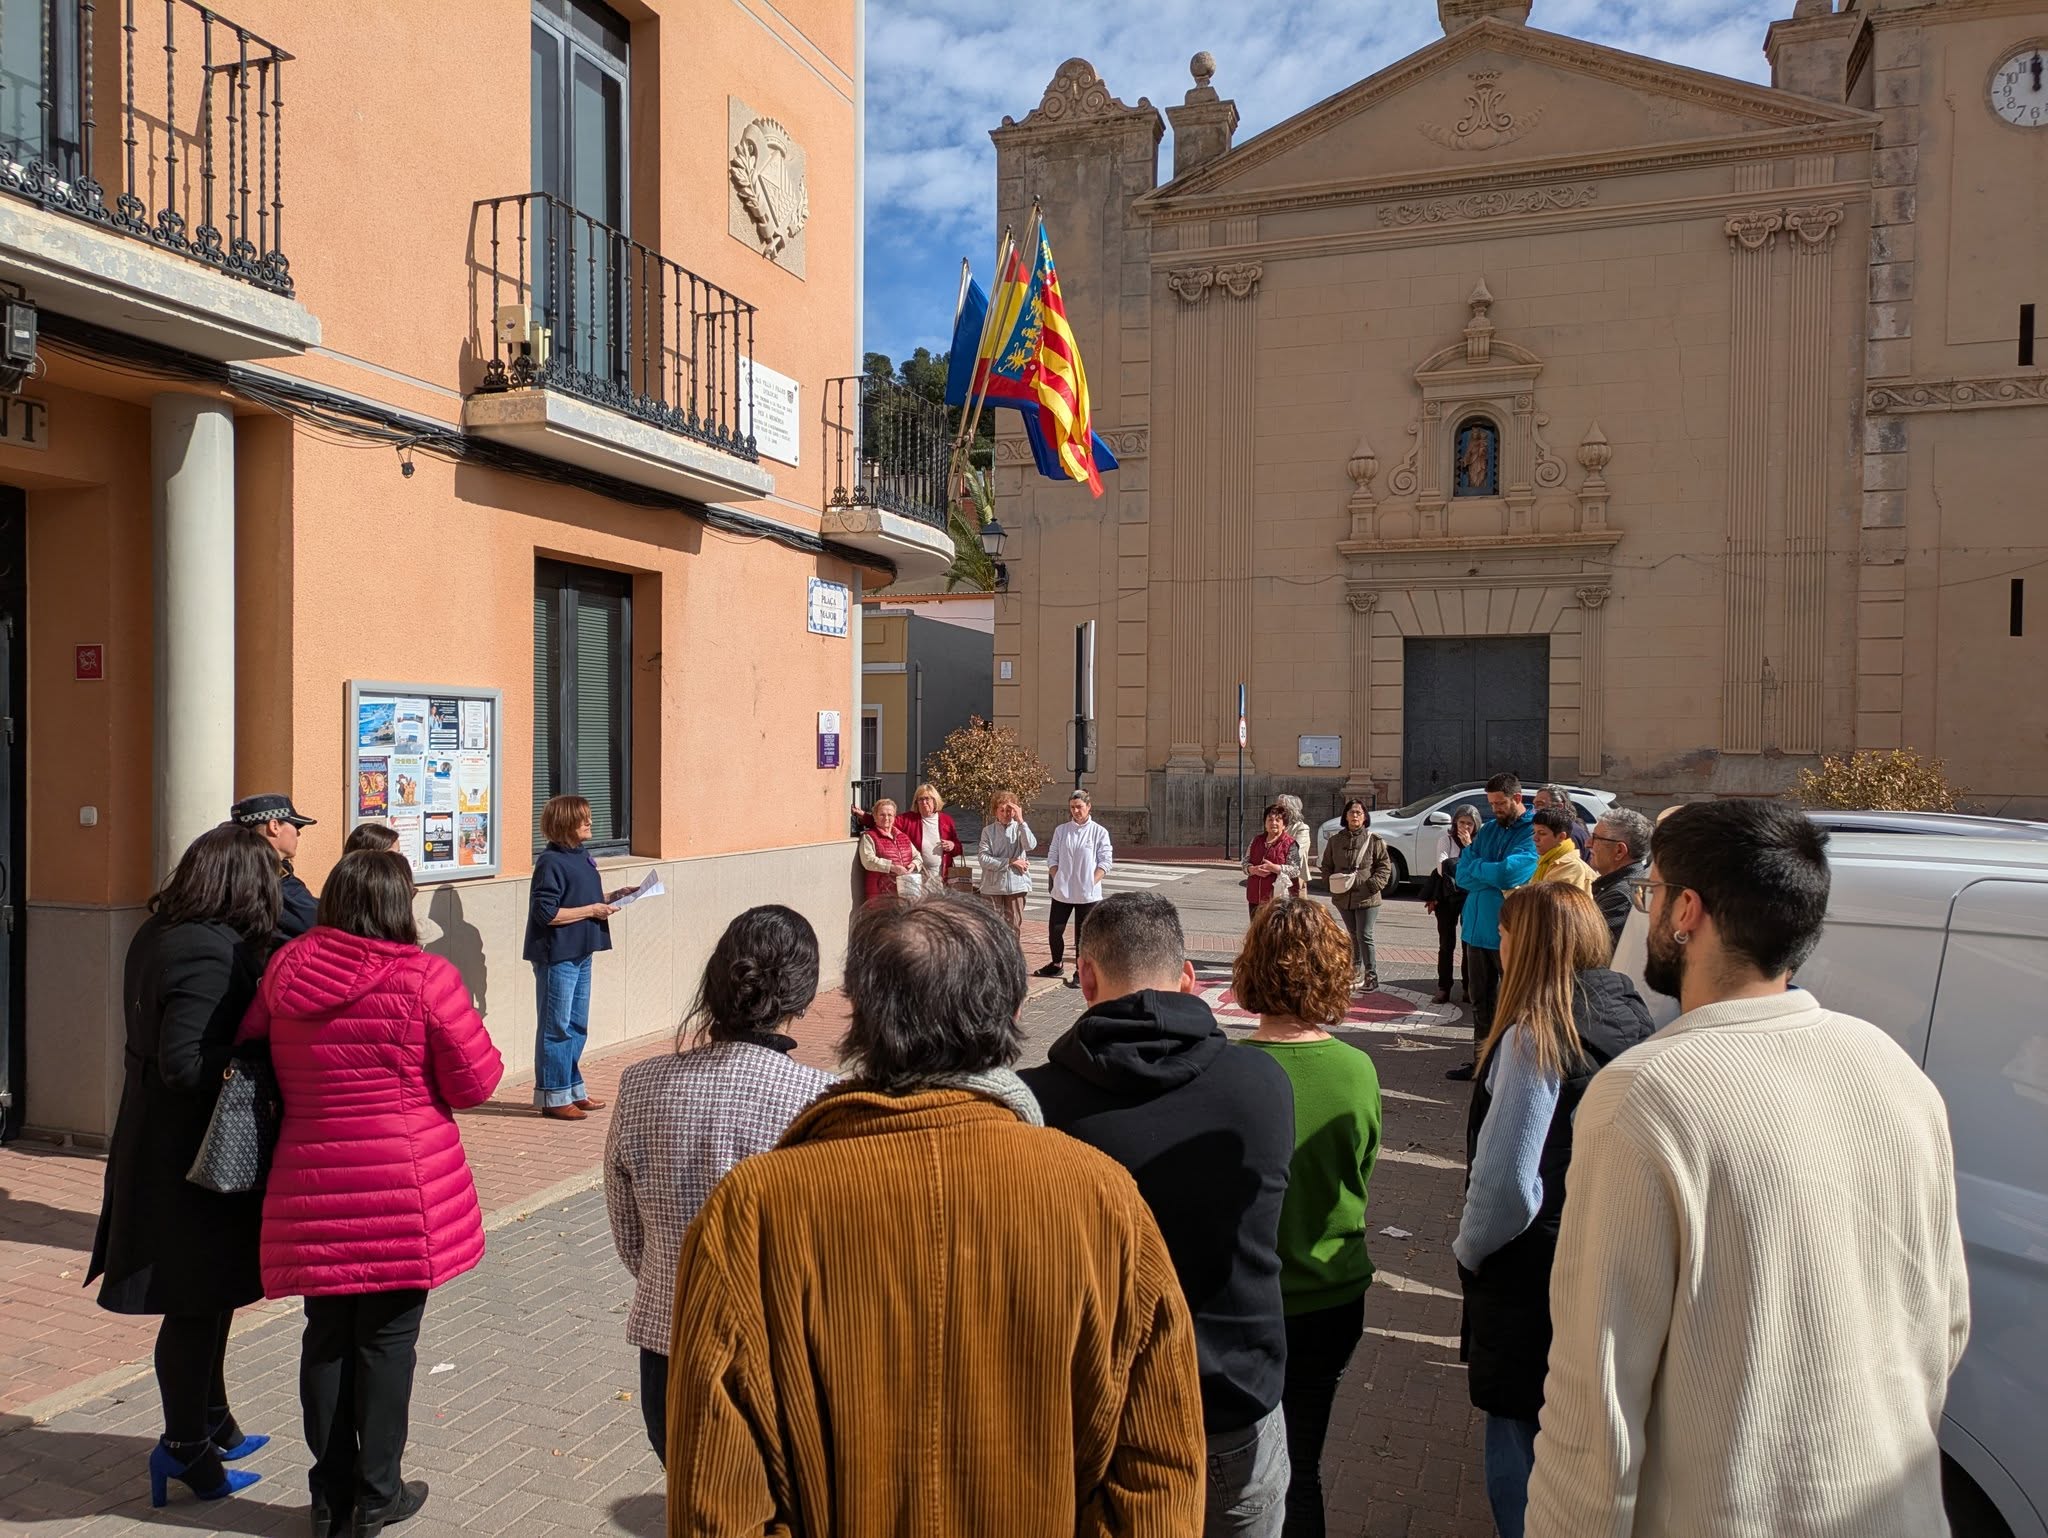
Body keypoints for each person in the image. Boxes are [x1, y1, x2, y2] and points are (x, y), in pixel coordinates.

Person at [665, 896, 1205, 1533]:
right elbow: (1160, 1476)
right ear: (1011, 1012)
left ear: (860, 1017)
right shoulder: (1102, 1198)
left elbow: (716, 1504)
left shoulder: (752, 1210)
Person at [1526, 801, 1971, 1538]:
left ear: (1686, 913)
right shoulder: (1894, 1070)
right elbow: (1944, 1326)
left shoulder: (1645, 1095)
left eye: (1652, 891)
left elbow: (1593, 1406)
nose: (1646, 907)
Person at [239, 849, 503, 1538]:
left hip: (310, 1179)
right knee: (387, 1344)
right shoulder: (425, 977)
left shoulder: (285, 971)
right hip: (401, 1186)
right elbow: (476, 1083)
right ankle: (378, 1493)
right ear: (399, 905)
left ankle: (329, 1497)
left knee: (326, 1338)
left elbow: (251, 1054)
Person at [1023, 893, 1296, 1537]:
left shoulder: (1035, 1105)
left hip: (1094, 1413)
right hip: (1228, 1400)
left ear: (1086, 978)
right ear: (1188, 979)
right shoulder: (1261, 1084)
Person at [88, 824, 279, 1510]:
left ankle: (214, 1420)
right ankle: (185, 1449)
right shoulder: (207, 949)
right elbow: (185, 1063)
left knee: (214, 1293)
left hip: (163, 1145)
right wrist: (260, 1050)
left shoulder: (160, 931)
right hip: (190, 1161)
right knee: (196, 1304)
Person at [1452, 883, 1653, 1538]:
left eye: (1506, 935)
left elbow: (1507, 1184)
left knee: (1520, 1451)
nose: (1497, 946)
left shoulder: (1536, 1034)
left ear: (1527, 944)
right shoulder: (1627, 1012)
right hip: (1606, 1255)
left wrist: (1469, 1250)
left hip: (1532, 1276)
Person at [605, 906, 833, 1464]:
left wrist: (674, 1272)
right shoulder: (820, 1099)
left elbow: (629, 1233)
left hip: (670, 1343)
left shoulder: (640, 1084)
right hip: (780, 1356)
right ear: (801, 997)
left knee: (693, 1505)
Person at [1235, 898, 1383, 1538]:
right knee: (1305, 1466)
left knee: (1241, 1466)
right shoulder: (1357, 1070)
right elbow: (1361, 1169)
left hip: (1245, 1300)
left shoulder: (1230, 1070)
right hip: (1330, 1291)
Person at [525, 795, 628, 1121]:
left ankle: (572, 1089)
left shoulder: (582, 856)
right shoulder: (550, 863)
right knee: (556, 1027)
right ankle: (553, 1096)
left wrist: (614, 896)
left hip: (581, 950)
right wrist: (593, 910)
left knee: (577, 1025)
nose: (591, 823)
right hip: (558, 955)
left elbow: (584, 899)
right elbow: (546, 913)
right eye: (583, 818)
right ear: (565, 823)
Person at [1449, 775, 1538, 1081]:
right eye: (1491, 804)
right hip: (1475, 932)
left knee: (1513, 1005)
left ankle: (1510, 1069)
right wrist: (1489, 872)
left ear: (1518, 798)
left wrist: (1482, 871)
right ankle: (1481, 1062)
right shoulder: (1487, 830)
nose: (1496, 809)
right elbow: (1462, 874)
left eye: (1501, 803)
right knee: (1480, 1002)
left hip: (1508, 933)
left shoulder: (1531, 832)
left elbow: (1512, 874)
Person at [1039, 788, 1114, 988]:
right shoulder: (1061, 830)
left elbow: (1106, 861)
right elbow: (1052, 856)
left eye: (1079, 807)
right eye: (1072, 807)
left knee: (1083, 935)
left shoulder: (1099, 832)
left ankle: (1081, 971)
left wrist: (1092, 880)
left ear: (1088, 807)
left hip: (1087, 894)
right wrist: (1057, 874)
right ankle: (1056, 963)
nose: (1076, 811)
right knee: (1055, 931)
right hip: (1062, 891)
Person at [1318, 798, 1394, 990]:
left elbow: (1384, 867)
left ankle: (1371, 976)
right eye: (1351, 812)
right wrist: (1330, 883)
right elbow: (1326, 865)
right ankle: (1354, 971)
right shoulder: (1335, 841)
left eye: (1359, 812)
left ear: (1365, 817)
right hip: (1343, 896)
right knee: (1353, 935)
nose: (1355, 816)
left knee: (1364, 935)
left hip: (1367, 897)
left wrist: (1372, 885)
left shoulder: (1374, 841)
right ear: (1345, 816)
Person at [232, 792, 319, 939]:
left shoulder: (231, 868)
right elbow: (315, 920)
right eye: (295, 825)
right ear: (274, 826)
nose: (298, 833)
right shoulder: (274, 879)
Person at [1425, 804, 1479, 1004]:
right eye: (1461, 822)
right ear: (1455, 822)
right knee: (1446, 944)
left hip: (1469, 896)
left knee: (1469, 944)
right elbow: (1442, 866)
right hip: (1447, 897)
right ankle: (1443, 987)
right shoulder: (1445, 839)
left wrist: (1467, 848)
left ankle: (1468, 987)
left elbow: (1479, 866)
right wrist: (1466, 867)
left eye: (1469, 824)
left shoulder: (1477, 844)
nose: (1464, 827)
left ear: (1476, 826)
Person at [1586, 806, 1652, 952]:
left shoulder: (1620, 895)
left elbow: (1590, 951)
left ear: (1619, 851)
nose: (1587, 843)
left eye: (1595, 838)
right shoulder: (1627, 883)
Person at [975, 791, 1038, 936]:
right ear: (995, 811)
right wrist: (1011, 861)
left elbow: (1030, 846)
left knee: (1014, 927)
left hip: (1016, 886)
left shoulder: (1019, 828)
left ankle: (1012, 957)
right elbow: (983, 859)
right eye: (1001, 810)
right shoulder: (988, 831)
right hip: (992, 887)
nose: (1005, 814)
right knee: (992, 927)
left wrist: (1021, 821)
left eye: (1009, 810)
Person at [1241, 804, 1302, 917]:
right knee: (1257, 932)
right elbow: (1245, 863)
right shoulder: (1256, 840)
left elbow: (1296, 870)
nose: (1273, 823)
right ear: (1265, 823)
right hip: (1255, 898)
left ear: (1284, 825)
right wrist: (1253, 869)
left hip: (1279, 900)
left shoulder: (1290, 844)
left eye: (1277, 820)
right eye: (1270, 819)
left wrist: (1275, 868)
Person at [855, 797, 920, 903]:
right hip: (880, 894)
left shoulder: (903, 837)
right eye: (882, 814)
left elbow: (917, 856)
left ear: (894, 817)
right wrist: (892, 867)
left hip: (904, 892)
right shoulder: (869, 837)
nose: (886, 818)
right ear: (875, 817)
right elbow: (868, 861)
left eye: (890, 815)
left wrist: (914, 864)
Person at [904, 782, 961, 893]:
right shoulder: (908, 819)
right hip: (917, 876)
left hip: (940, 877)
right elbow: (886, 821)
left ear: (935, 800)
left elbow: (958, 848)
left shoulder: (946, 820)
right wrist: (865, 817)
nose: (924, 802)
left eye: (927, 799)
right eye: (920, 799)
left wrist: (952, 845)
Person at [1528, 806, 1596, 896]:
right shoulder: (1546, 861)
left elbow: (1555, 907)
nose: (1535, 838)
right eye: (1534, 832)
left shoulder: (1572, 867)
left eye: (1542, 833)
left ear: (1561, 837)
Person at [1532, 785, 1591, 854]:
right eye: (1534, 805)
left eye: (1540, 804)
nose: (1534, 810)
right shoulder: (1560, 828)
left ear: (1559, 807)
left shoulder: (1570, 833)